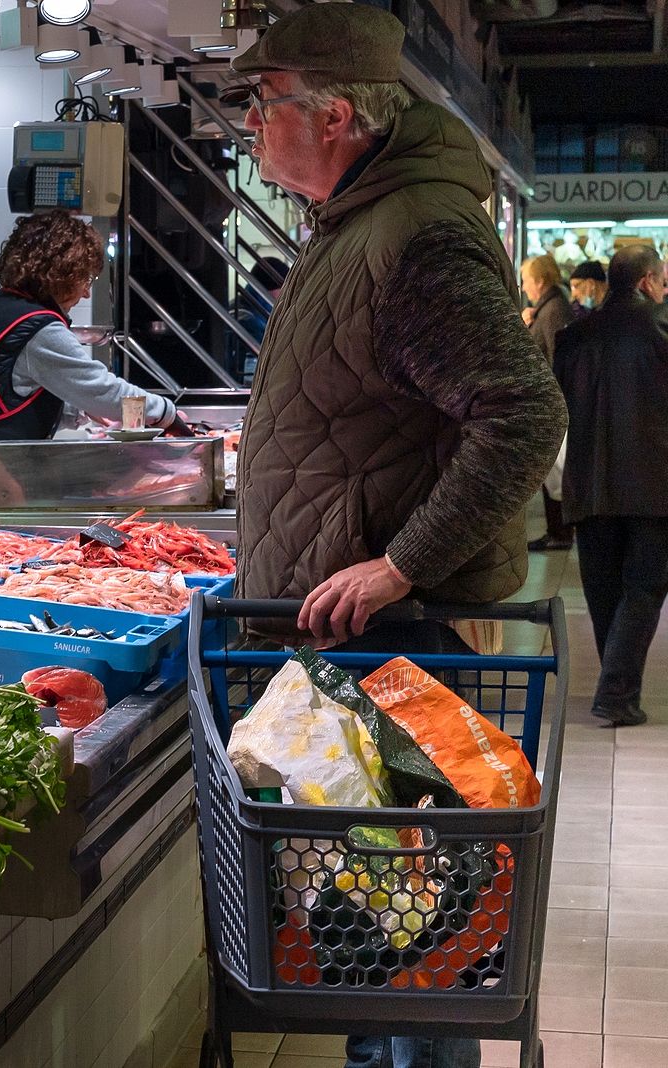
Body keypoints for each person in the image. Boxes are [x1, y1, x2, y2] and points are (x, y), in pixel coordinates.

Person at [230, 6, 565, 1065]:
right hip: (349, 651)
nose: (248, 122)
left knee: (414, 945)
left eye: (261, 98)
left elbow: (523, 414)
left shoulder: (415, 231)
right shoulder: (356, 224)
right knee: (380, 937)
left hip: (394, 651)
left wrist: (397, 564)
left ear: (332, 116)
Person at [0, 211, 185, 442]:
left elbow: (7, 400)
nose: (86, 293)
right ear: (61, 273)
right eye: (86, 278)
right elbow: (103, 389)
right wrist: (167, 414)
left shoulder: (1, 309)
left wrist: (80, 411)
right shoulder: (38, 328)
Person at [553, 245, 668, 728]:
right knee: (643, 589)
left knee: (602, 590)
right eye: (662, 279)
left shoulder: (572, 338)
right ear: (645, 281)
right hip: (652, 487)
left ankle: (615, 686)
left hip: (588, 485)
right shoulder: (661, 332)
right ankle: (617, 691)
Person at [519, 254, 576, 551]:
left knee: (556, 473)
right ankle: (558, 531)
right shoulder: (549, 307)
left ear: (540, 281)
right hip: (554, 400)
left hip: (555, 402)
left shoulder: (553, 310)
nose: (524, 287)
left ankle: (561, 533)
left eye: (527, 280)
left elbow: (557, 357)